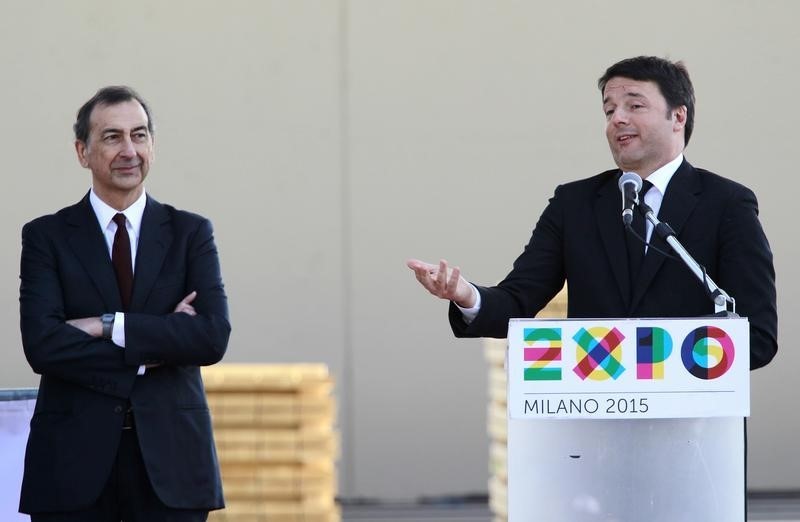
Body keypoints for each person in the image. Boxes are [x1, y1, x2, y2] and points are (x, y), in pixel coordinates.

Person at [408, 56, 777, 370]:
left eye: (634, 105)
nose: (617, 119)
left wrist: (654, 363)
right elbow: (518, 302)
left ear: (678, 116)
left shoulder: (727, 203)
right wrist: (466, 295)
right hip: (593, 424)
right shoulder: (575, 204)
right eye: (609, 109)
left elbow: (757, 336)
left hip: (695, 433)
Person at [19, 86, 231, 521]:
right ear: (83, 151)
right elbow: (43, 346)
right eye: (112, 137)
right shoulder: (46, 237)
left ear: (153, 144)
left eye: (139, 135)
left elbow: (210, 338)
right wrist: (158, 342)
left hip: (171, 467)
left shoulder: (190, 233)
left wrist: (106, 325)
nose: (129, 150)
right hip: (72, 467)